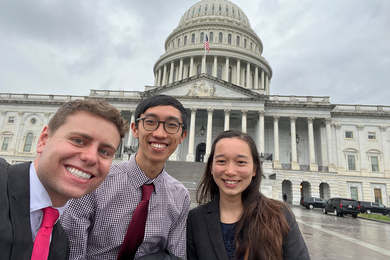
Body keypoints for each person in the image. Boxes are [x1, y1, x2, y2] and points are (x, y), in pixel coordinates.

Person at [61, 94, 191, 259]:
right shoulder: (95, 182)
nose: (160, 133)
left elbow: (175, 257)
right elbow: (72, 253)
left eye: (172, 125)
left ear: (182, 136)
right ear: (135, 129)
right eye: (150, 122)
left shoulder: (180, 196)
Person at [0, 99, 129, 260]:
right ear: (43, 140)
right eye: (78, 141)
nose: (90, 158)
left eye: (104, 151)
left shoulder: (61, 243)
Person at [187, 130, 310, 260]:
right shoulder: (195, 220)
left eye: (241, 162)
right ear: (211, 167)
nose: (230, 171)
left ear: (254, 169)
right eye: (221, 161)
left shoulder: (281, 215)